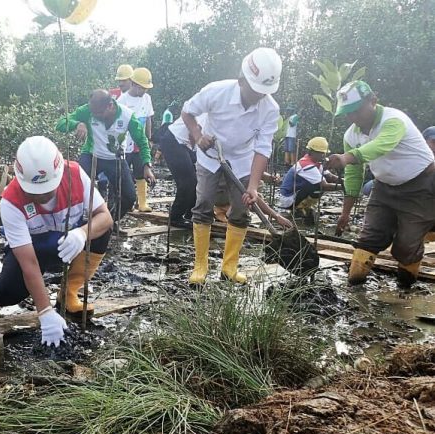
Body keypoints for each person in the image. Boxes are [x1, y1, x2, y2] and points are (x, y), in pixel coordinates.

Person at [0, 136, 113, 347]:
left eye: (47, 190)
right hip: (32, 248)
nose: (42, 196)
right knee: (12, 291)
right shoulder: (10, 201)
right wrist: (45, 312)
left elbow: (105, 216)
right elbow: (28, 263)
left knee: (100, 232)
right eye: (34, 192)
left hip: (67, 241)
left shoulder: (74, 174)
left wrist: (81, 234)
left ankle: (68, 292)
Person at [181, 47, 283, 285]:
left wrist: (254, 186)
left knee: (240, 210)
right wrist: (197, 135)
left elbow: (263, 148)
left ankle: (229, 267)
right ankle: (200, 266)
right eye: (256, 90)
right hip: (210, 154)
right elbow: (188, 111)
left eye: (264, 92)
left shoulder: (271, 109)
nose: (259, 96)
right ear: (241, 81)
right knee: (204, 202)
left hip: (242, 160)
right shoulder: (216, 91)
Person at [327, 81, 435, 287]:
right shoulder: (351, 135)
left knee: (405, 246)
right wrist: (345, 212)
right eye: (347, 113)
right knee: (369, 237)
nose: (352, 118)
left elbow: (381, 146)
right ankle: (355, 286)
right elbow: (354, 174)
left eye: (356, 111)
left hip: (421, 187)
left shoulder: (394, 119)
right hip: (383, 188)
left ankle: (405, 289)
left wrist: (347, 157)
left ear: (373, 101)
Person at [56, 89, 156, 220]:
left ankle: (109, 221)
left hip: (116, 159)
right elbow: (60, 124)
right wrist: (77, 124)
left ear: (110, 106)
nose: (95, 115)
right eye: (93, 113)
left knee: (130, 197)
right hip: (92, 155)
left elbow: (142, 141)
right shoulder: (88, 110)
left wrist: (146, 165)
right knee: (76, 187)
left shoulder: (127, 115)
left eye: (99, 113)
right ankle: (76, 221)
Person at [117, 67, 155, 212]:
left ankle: (142, 202)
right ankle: (123, 202)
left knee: (141, 172)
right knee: (124, 174)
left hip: (140, 144)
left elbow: (149, 119)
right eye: (144, 88)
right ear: (135, 85)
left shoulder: (147, 98)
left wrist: (149, 139)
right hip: (125, 145)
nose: (146, 91)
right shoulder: (122, 100)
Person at [278, 137, 343, 216]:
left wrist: (347, 182)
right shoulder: (307, 165)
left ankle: (304, 207)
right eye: (321, 153)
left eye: (324, 153)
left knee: (319, 182)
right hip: (288, 198)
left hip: (294, 195)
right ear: (312, 152)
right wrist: (344, 187)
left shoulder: (316, 162)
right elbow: (325, 186)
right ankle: (299, 208)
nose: (323, 155)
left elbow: (331, 177)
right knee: (317, 186)